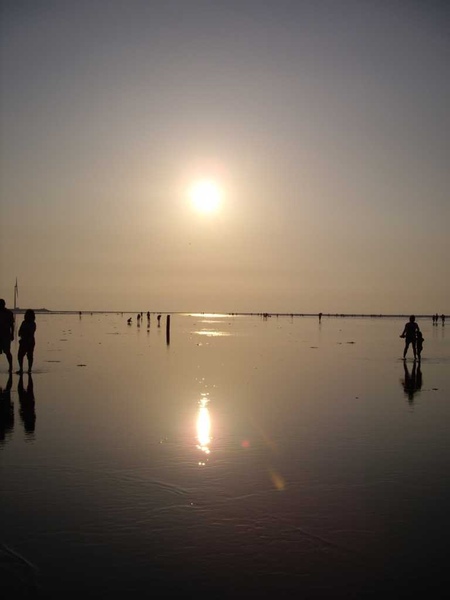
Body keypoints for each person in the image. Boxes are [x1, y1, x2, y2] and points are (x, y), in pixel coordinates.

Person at [17, 309, 36, 374]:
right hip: (23, 341)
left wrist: (24, 334)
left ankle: (29, 369)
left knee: (29, 355)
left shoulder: (33, 323)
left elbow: (31, 333)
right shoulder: (24, 322)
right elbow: (20, 331)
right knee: (20, 356)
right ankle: (21, 369)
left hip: (29, 341)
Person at [0, 299, 14, 372]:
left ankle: (10, 366)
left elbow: (12, 325)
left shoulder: (9, 313)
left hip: (6, 335)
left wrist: (12, 334)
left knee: (7, 352)